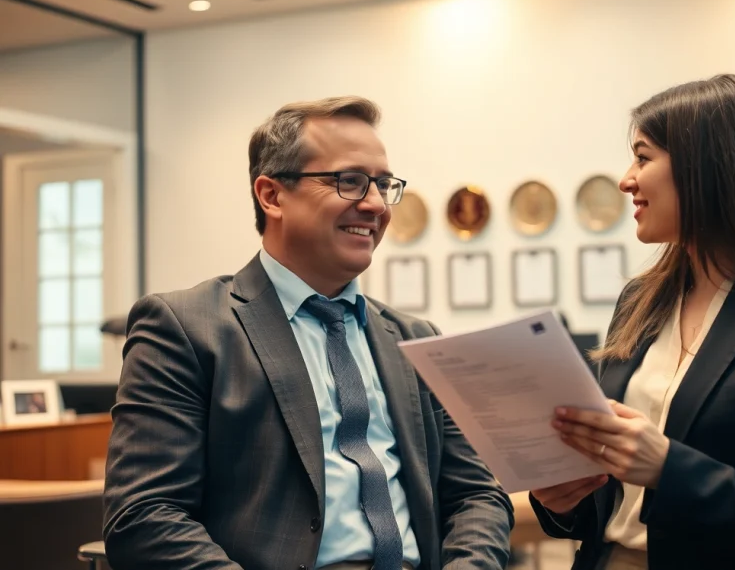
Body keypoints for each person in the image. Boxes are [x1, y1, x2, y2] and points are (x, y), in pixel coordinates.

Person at [103, 97, 514, 570]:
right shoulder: (186, 328)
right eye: (350, 181)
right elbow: (144, 515)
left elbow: (476, 495)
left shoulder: (414, 337)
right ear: (272, 195)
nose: (375, 204)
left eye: (384, 185)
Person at [529, 74, 735, 570]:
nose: (626, 180)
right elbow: (612, 505)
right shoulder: (640, 301)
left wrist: (670, 469)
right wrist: (563, 501)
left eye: (643, 158)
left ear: (706, 168)